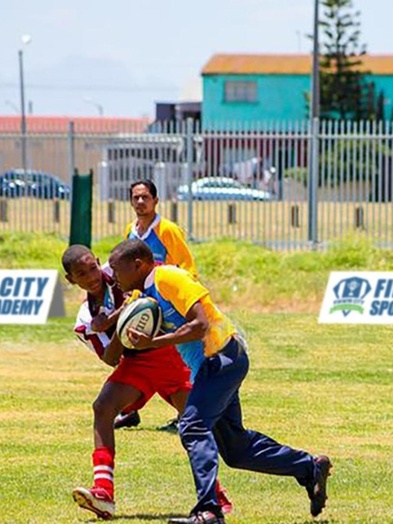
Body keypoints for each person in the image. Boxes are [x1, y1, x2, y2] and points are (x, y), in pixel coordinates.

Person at [108, 239, 331, 524]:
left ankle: (209, 512)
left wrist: (154, 341)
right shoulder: (145, 291)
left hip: (222, 357)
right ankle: (309, 467)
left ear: (138, 265)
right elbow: (115, 348)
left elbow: (200, 324)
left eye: (117, 270)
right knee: (237, 450)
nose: (114, 278)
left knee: (192, 426)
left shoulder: (169, 277)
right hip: (212, 366)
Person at [62, 245, 233, 520]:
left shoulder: (121, 271)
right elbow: (109, 357)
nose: (91, 276)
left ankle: (215, 494)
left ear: (97, 261)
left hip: (170, 355)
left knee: (194, 425)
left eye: (92, 267)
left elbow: (152, 277)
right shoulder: (85, 318)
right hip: (136, 363)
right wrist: (120, 326)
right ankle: (104, 492)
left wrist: (118, 315)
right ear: (72, 281)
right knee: (103, 407)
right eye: (81, 274)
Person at [115, 179, 198, 431]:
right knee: (135, 353)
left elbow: (187, 267)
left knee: (174, 361)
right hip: (143, 307)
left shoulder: (167, 230)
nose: (140, 202)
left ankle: (189, 413)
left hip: (167, 305)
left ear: (156, 201)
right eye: (136, 197)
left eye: (145, 197)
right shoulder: (132, 230)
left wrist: (180, 300)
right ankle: (130, 409)